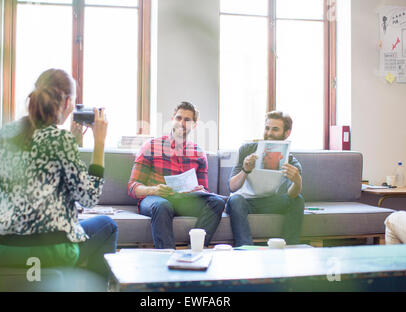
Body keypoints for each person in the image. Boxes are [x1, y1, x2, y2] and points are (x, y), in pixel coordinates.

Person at [0, 69, 117, 278]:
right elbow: (89, 198)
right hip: (44, 251)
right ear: (67, 101)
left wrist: (71, 142)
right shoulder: (60, 140)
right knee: (108, 225)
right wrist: (99, 143)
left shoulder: (6, 133)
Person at [128, 101, 225, 249]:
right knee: (162, 205)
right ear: (172, 119)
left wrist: (198, 190)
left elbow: (205, 189)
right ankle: (167, 254)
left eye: (187, 120)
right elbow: (132, 187)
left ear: (194, 124)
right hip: (155, 199)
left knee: (217, 202)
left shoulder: (199, 153)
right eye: (179, 118)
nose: (182, 123)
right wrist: (153, 190)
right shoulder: (151, 146)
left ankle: (194, 250)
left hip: (185, 200)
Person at [226, 111, 305, 246]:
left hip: (270, 202)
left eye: (275, 129)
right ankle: (245, 248)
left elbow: (292, 195)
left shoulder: (291, 161)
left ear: (287, 133)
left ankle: (289, 247)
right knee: (235, 200)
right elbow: (232, 187)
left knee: (297, 200)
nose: (269, 133)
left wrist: (297, 182)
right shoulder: (247, 149)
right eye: (267, 128)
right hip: (245, 201)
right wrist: (245, 170)